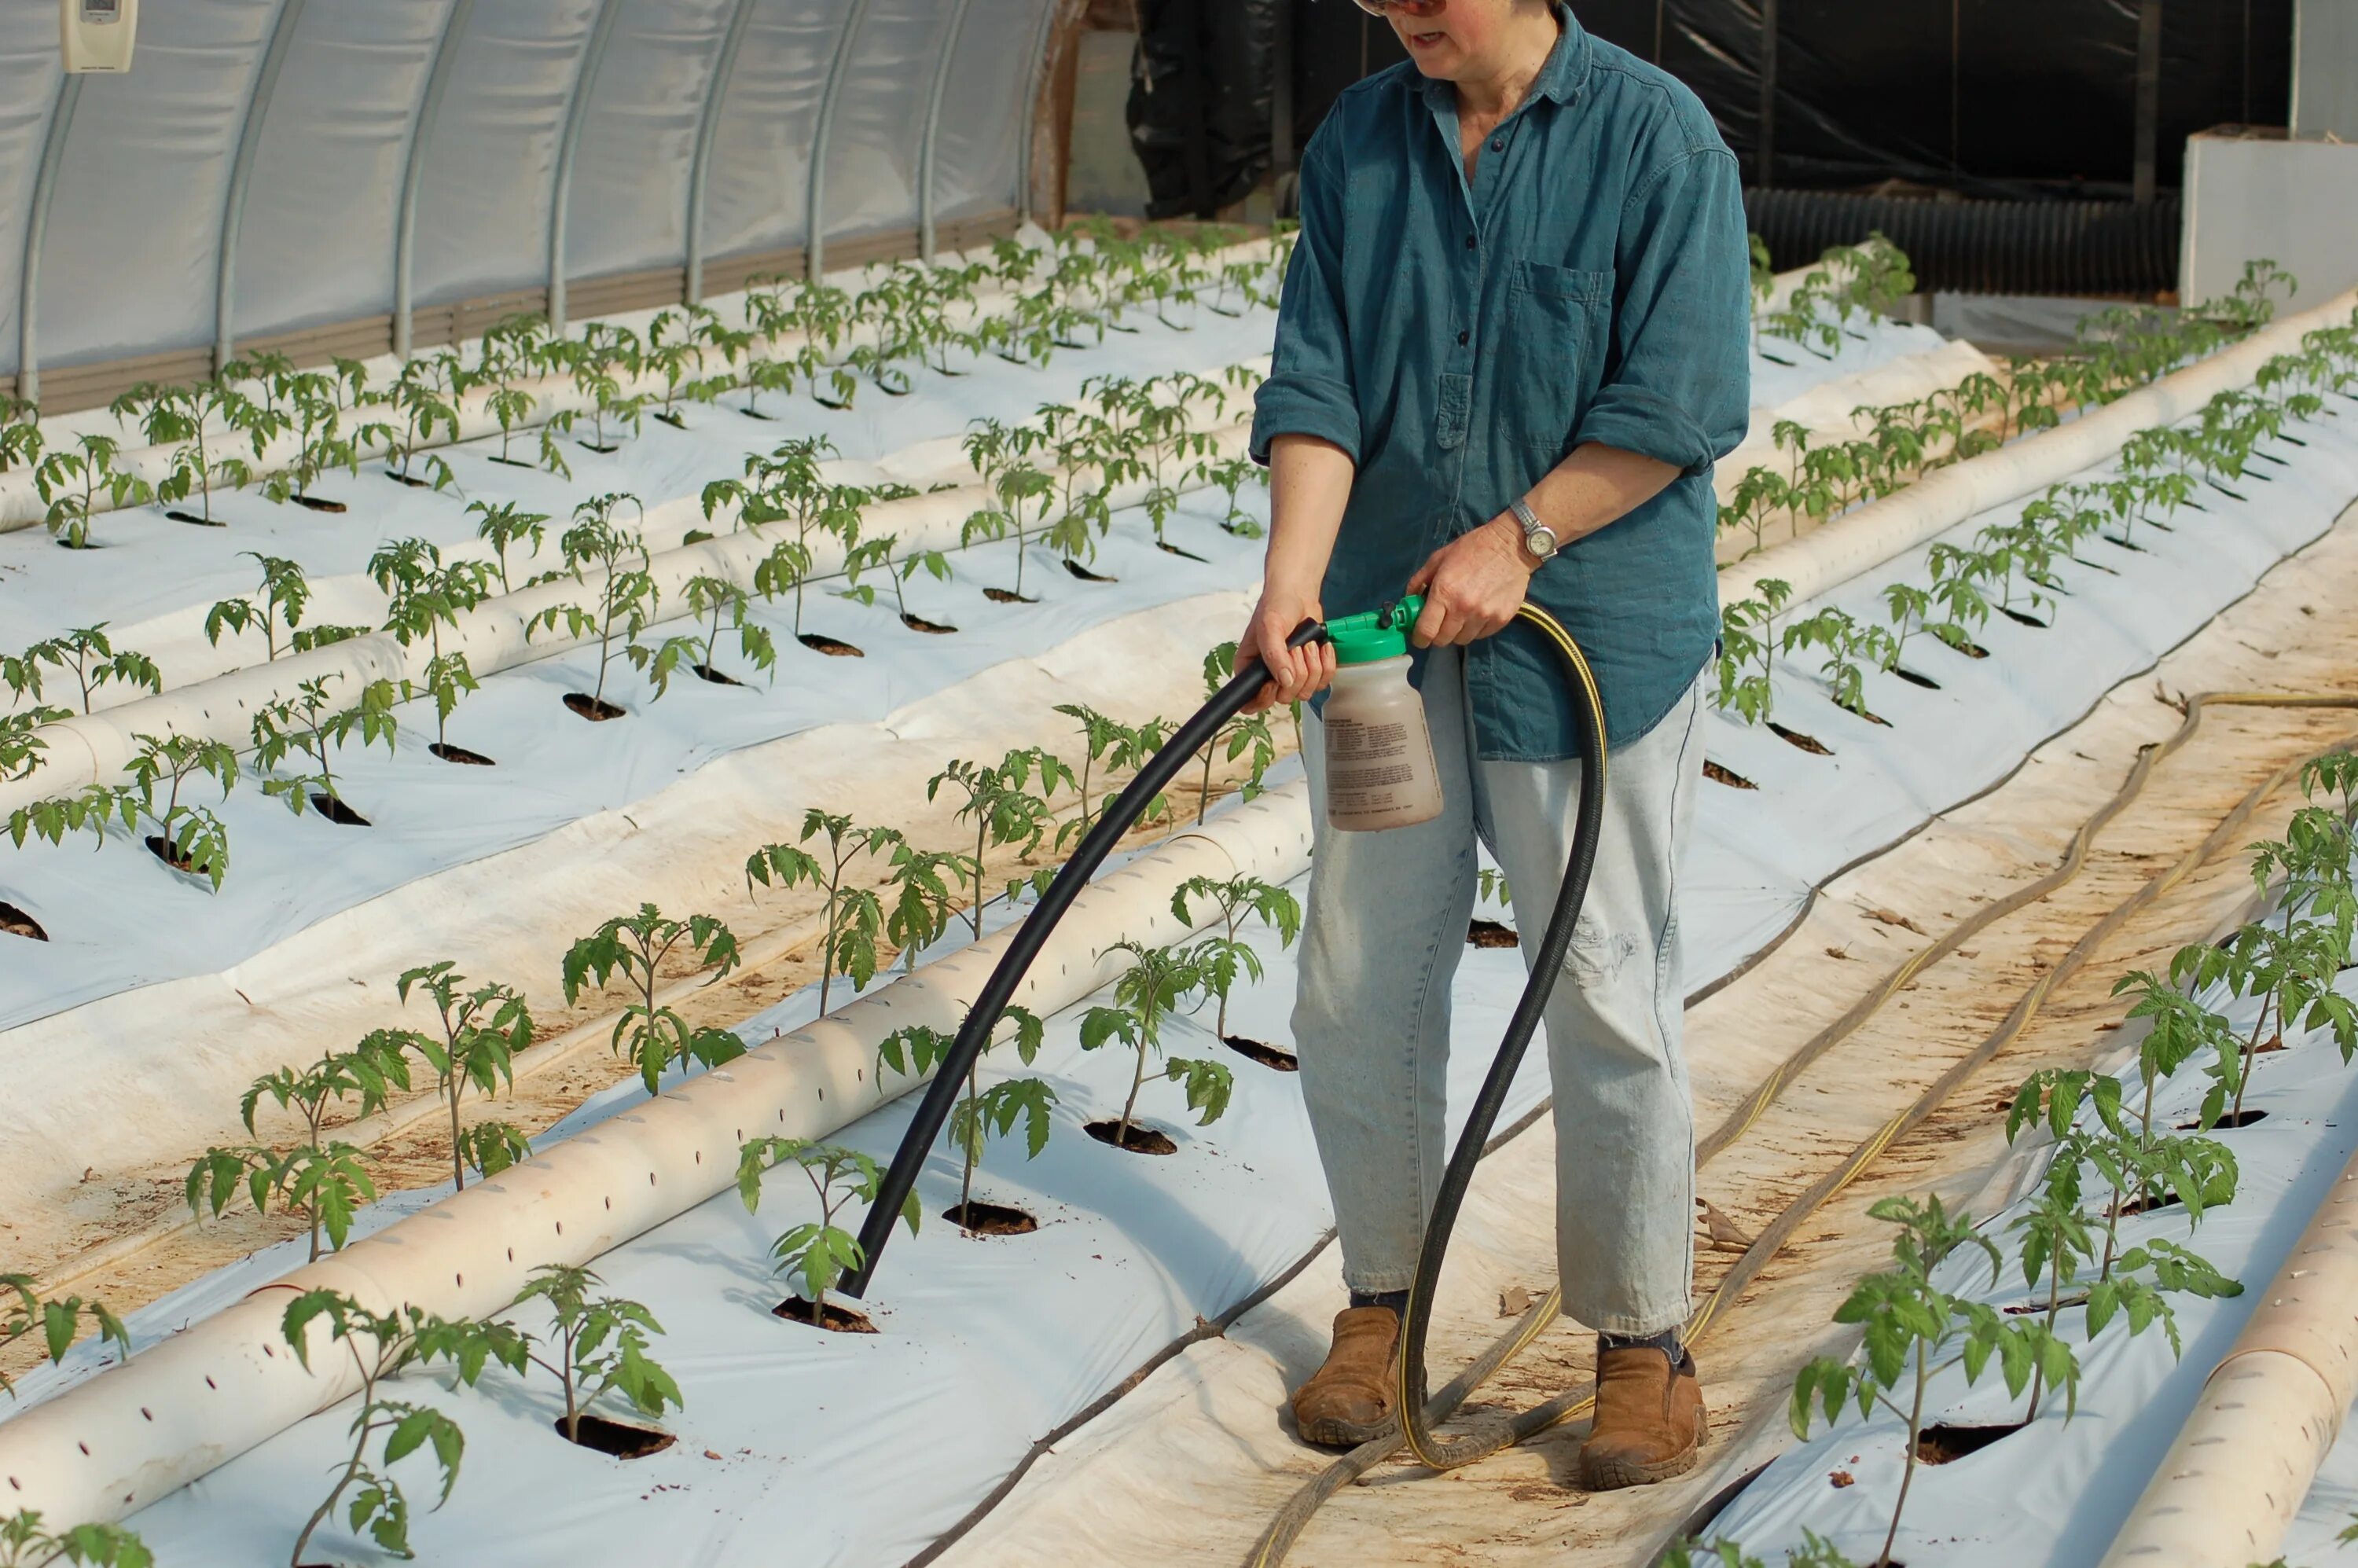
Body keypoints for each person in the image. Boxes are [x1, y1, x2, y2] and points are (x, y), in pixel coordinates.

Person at [1237, 0, 1749, 1490]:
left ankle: (1644, 1345)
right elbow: (1319, 379)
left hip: (1588, 642)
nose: (1403, 20)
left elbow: (1680, 403)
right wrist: (1292, 583)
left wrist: (1522, 537)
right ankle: (1380, 1312)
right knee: (1355, 972)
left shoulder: (1659, 143)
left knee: (1603, 984)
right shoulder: (1363, 139)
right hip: (1386, 648)